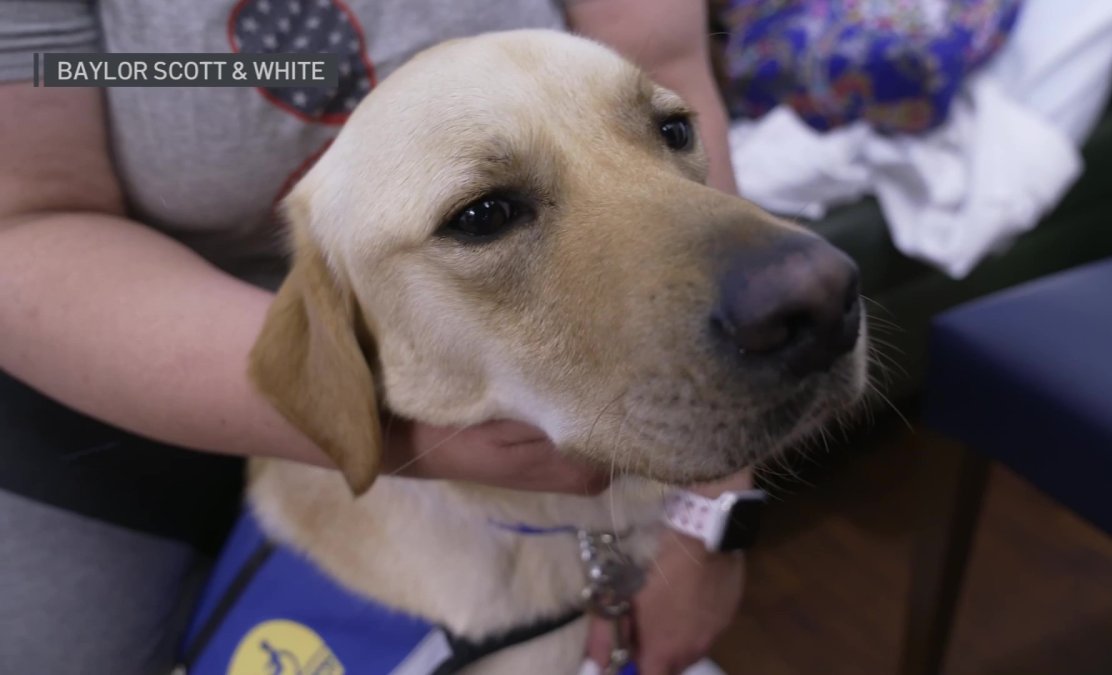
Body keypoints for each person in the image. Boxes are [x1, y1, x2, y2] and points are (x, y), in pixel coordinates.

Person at [0, 1, 747, 673]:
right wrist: (382, 420)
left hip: (473, 323)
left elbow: (669, 70)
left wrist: (714, 510)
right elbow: (23, 221)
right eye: (484, 210)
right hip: (109, 338)